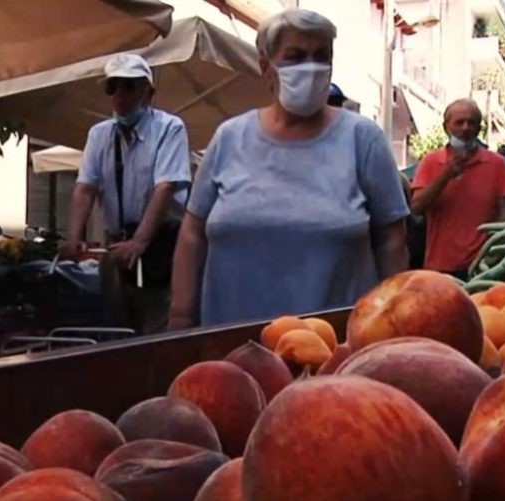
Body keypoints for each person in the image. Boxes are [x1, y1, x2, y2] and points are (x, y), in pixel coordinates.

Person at [168, 9, 410, 330]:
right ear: (266, 67)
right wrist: (181, 316)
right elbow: (192, 231)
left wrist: (393, 326)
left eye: (321, 57)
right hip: (230, 346)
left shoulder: (362, 139)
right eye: (295, 57)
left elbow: (392, 239)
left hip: (333, 351)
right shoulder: (229, 137)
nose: (310, 68)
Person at [60, 53, 191, 334]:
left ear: (149, 92)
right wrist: (74, 238)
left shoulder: (169, 128)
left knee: (157, 328)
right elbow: (85, 188)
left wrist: (140, 242)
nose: (120, 94)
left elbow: (165, 187)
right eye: (113, 86)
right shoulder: (100, 134)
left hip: (160, 243)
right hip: (116, 245)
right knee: (118, 329)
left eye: (129, 85)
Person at [410, 99, 505, 280]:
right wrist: (447, 174)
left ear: (479, 128)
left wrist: (491, 249)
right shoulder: (430, 162)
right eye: (459, 122)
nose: (466, 128)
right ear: (446, 127)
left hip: (481, 267)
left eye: (471, 122)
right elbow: (416, 207)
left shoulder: (497, 163)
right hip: (440, 267)